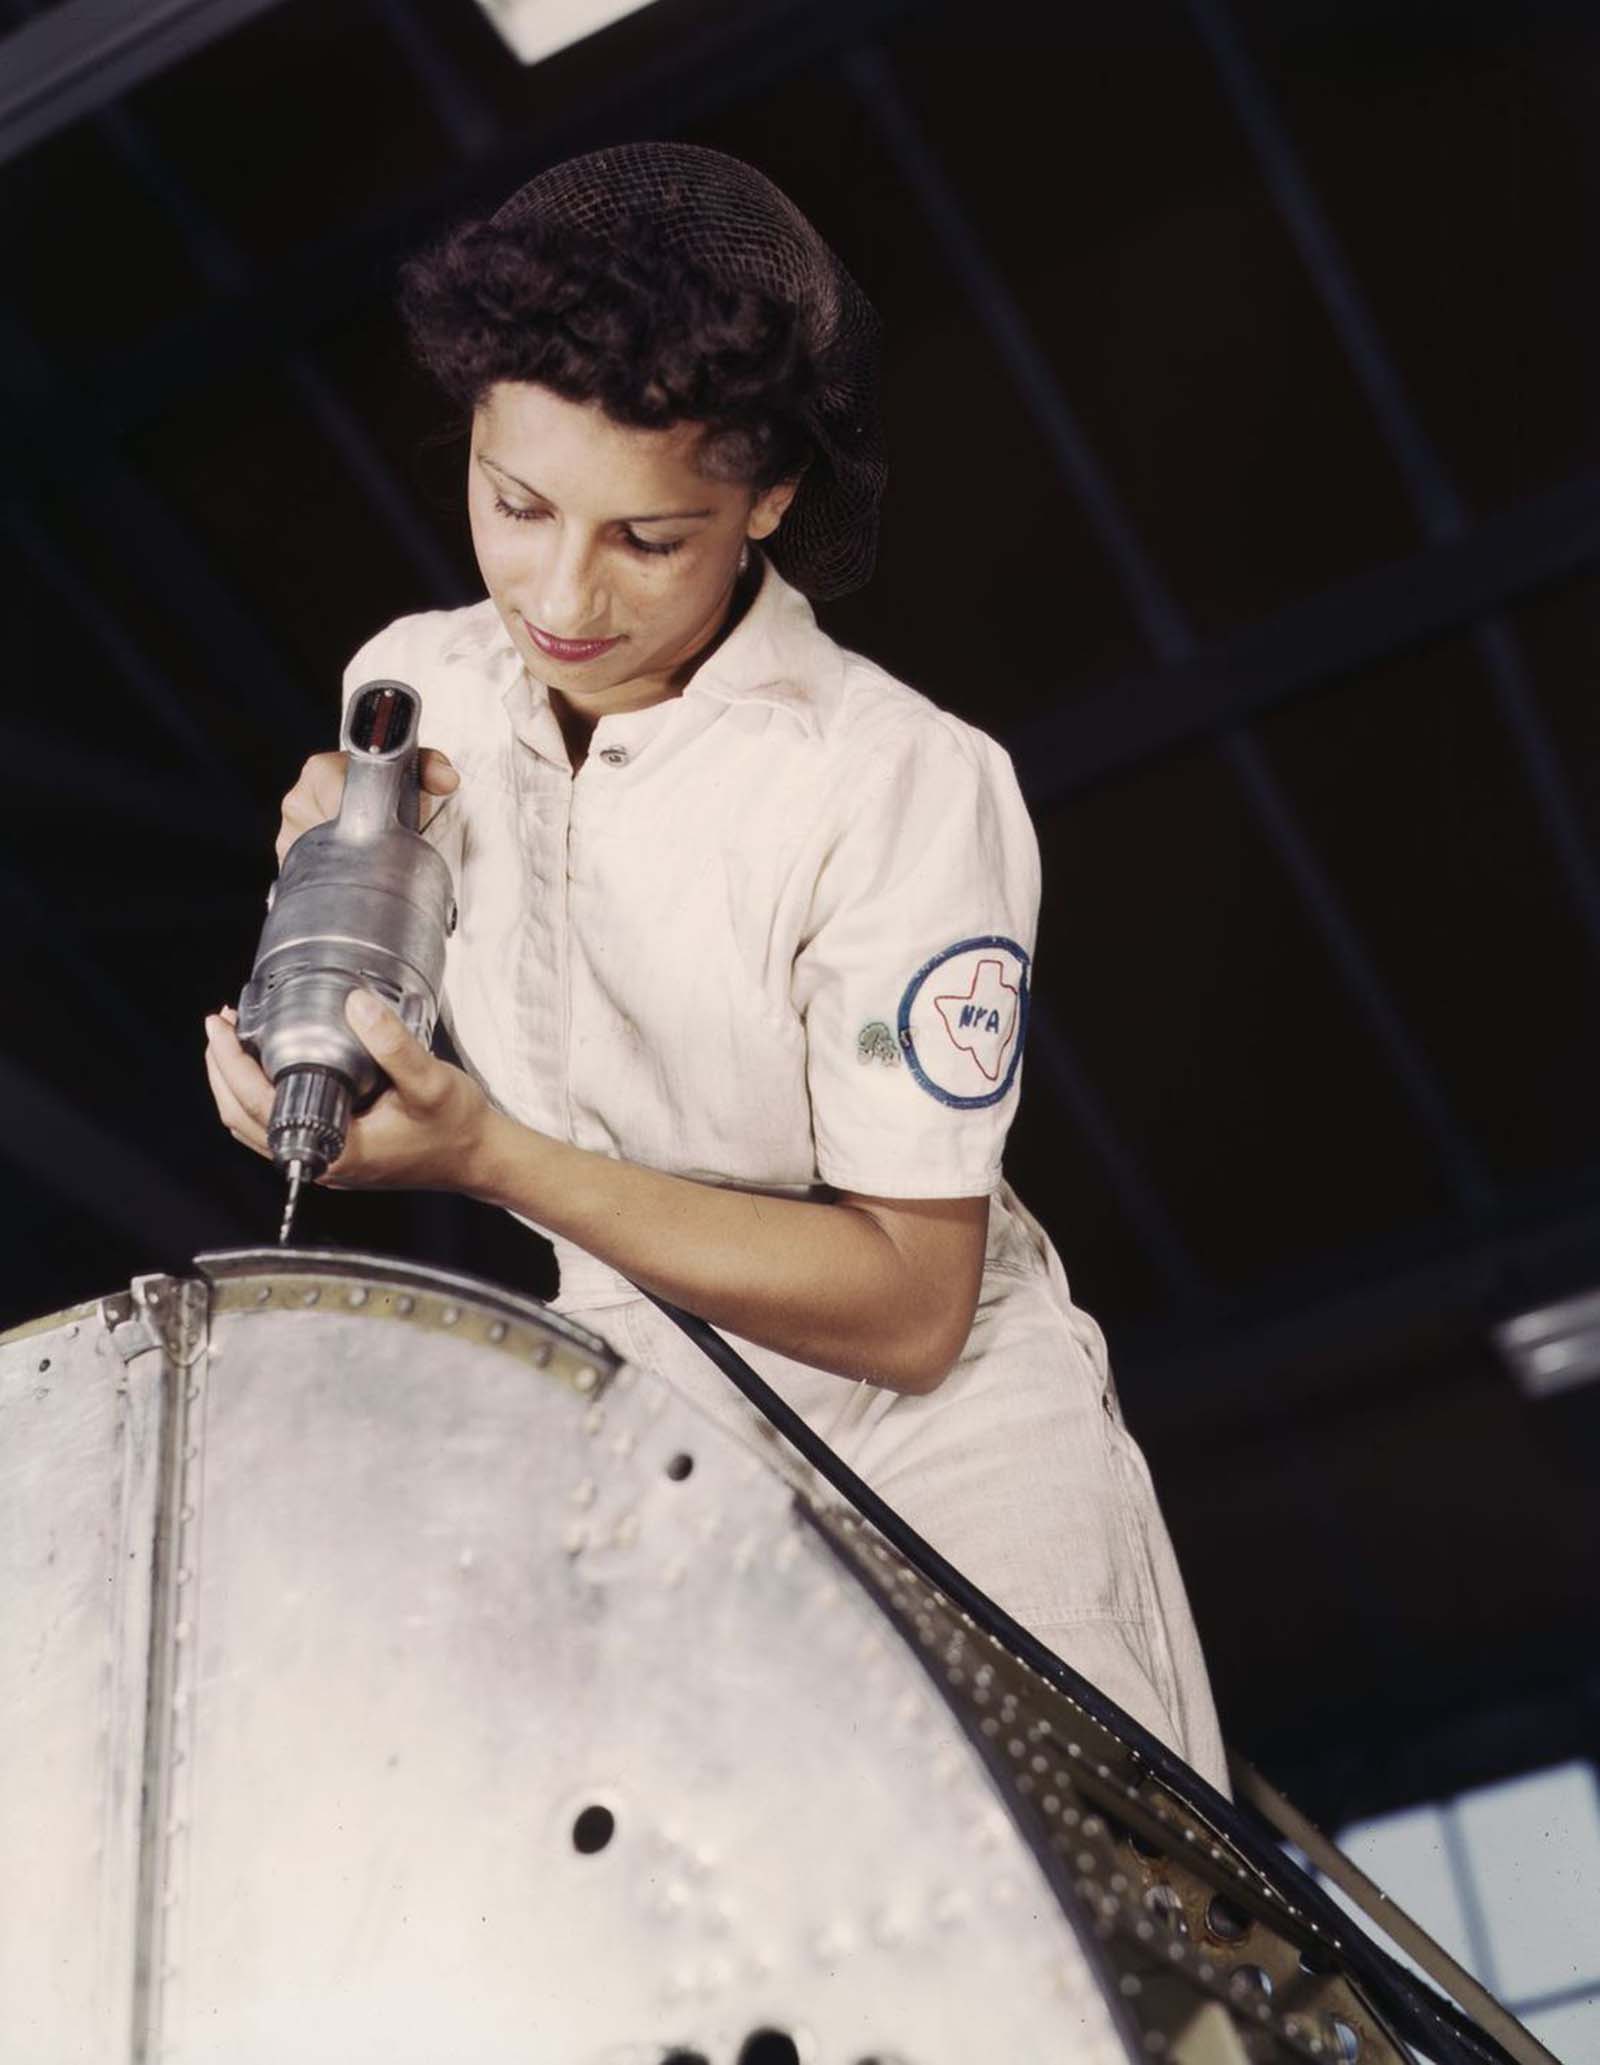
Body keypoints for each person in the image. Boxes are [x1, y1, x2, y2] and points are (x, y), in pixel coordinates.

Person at [203, 141, 1228, 1791]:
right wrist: (325, 950)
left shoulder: (895, 782)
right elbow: (400, 911)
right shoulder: (413, 681)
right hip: (652, 1440)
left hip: (946, 1465)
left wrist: (485, 1154)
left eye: (649, 537)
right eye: (514, 501)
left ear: (768, 500)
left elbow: (909, 1302)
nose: (558, 592)